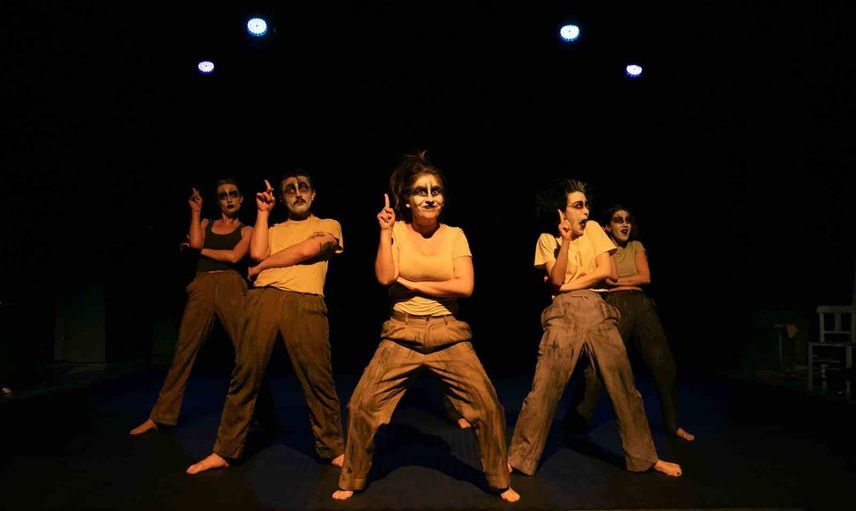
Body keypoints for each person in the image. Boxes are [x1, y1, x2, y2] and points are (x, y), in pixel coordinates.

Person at [332, 152, 519, 502]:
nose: (430, 197)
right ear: (406, 199)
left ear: (443, 199)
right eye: (421, 191)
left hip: (448, 332)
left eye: (436, 191)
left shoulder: (455, 235)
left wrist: (413, 284)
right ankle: (352, 478)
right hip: (402, 332)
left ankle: (499, 480)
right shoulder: (396, 231)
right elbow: (385, 277)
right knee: (361, 406)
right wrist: (384, 232)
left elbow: (465, 286)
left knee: (488, 406)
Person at [508, 179, 682, 477]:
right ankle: (519, 458)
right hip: (563, 313)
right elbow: (557, 277)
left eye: (586, 205)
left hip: (597, 306)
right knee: (544, 388)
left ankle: (645, 457)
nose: (586, 211)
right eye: (578, 206)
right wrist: (565, 243)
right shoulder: (547, 239)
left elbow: (606, 271)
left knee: (624, 387)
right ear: (562, 211)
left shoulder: (594, 232)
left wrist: (568, 285)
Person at [187, 171, 346, 473]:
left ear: (313, 194)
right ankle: (225, 450)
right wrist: (262, 213)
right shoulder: (271, 228)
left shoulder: (328, 225)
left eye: (303, 188)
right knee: (245, 374)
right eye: (290, 189)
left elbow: (306, 250)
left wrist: (261, 267)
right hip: (263, 299)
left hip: (305, 300)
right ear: (283, 198)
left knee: (318, 377)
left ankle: (334, 448)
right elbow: (257, 251)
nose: (297, 193)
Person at [130, 178, 253, 435]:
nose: (228, 199)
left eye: (233, 194)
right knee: (184, 351)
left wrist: (201, 251)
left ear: (241, 199)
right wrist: (196, 211)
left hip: (232, 285)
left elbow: (233, 257)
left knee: (248, 353)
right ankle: (161, 415)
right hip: (203, 285)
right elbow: (196, 243)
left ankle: (261, 416)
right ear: (218, 201)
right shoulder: (206, 223)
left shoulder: (248, 230)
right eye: (223, 196)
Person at [567, 205, 694, 441]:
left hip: (641, 304)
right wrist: (621, 280)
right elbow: (609, 278)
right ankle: (575, 427)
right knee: (597, 368)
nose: (625, 224)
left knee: (664, 365)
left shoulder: (636, 246)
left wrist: (618, 282)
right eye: (618, 220)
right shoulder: (602, 247)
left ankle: (673, 425)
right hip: (614, 304)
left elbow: (645, 277)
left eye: (628, 220)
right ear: (607, 227)